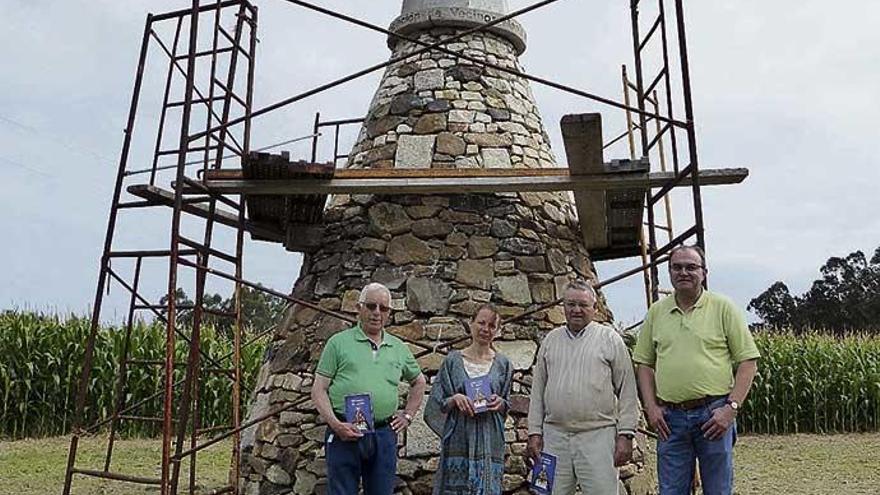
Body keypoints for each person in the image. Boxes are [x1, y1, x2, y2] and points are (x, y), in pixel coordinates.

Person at [633, 245, 760, 495]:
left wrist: (730, 409)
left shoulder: (723, 308)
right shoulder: (657, 313)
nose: (684, 272)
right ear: (669, 272)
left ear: (704, 272)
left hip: (714, 416)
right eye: (677, 267)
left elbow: (748, 362)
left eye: (691, 267)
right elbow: (644, 364)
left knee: (718, 490)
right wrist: (651, 407)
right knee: (670, 491)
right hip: (670, 419)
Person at [311, 282, 428, 495]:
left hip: (384, 433)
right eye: (371, 306)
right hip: (344, 432)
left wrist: (408, 415)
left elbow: (419, 382)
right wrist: (336, 425)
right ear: (359, 308)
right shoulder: (338, 343)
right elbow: (319, 389)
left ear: (389, 313)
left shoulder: (398, 347)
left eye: (383, 308)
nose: (377, 313)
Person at [527, 280, 640, 494]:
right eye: (571, 304)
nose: (576, 310)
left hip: (598, 436)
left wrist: (626, 434)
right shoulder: (551, 340)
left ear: (594, 308)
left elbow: (627, 390)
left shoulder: (610, 339)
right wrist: (534, 432)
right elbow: (538, 391)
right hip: (555, 437)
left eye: (583, 305)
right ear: (563, 307)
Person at [424, 303, 513, 495]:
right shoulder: (452, 361)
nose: (485, 329)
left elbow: (507, 404)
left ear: (497, 330)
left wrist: (500, 403)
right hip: (458, 438)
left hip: (489, 440)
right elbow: (436, 402)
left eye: (491, 325)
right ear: (471, 323)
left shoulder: (503, 365)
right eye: (481, 323)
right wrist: (455, 399)